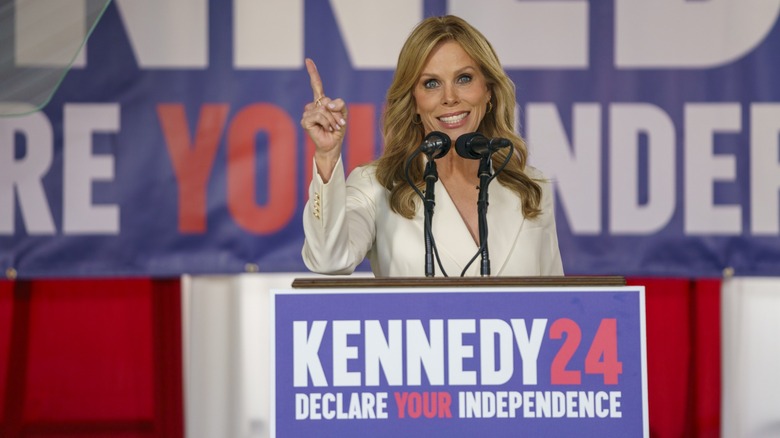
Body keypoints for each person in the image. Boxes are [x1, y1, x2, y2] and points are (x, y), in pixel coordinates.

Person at [300, 15, 563, 277]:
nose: (450, 98)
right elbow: (328, 260)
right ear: (413, 101)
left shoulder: (531, 187)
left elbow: (557, 306)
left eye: (464, 79)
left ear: (488, 90)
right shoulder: (376, 185)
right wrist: (327, 155)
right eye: (431, 83)